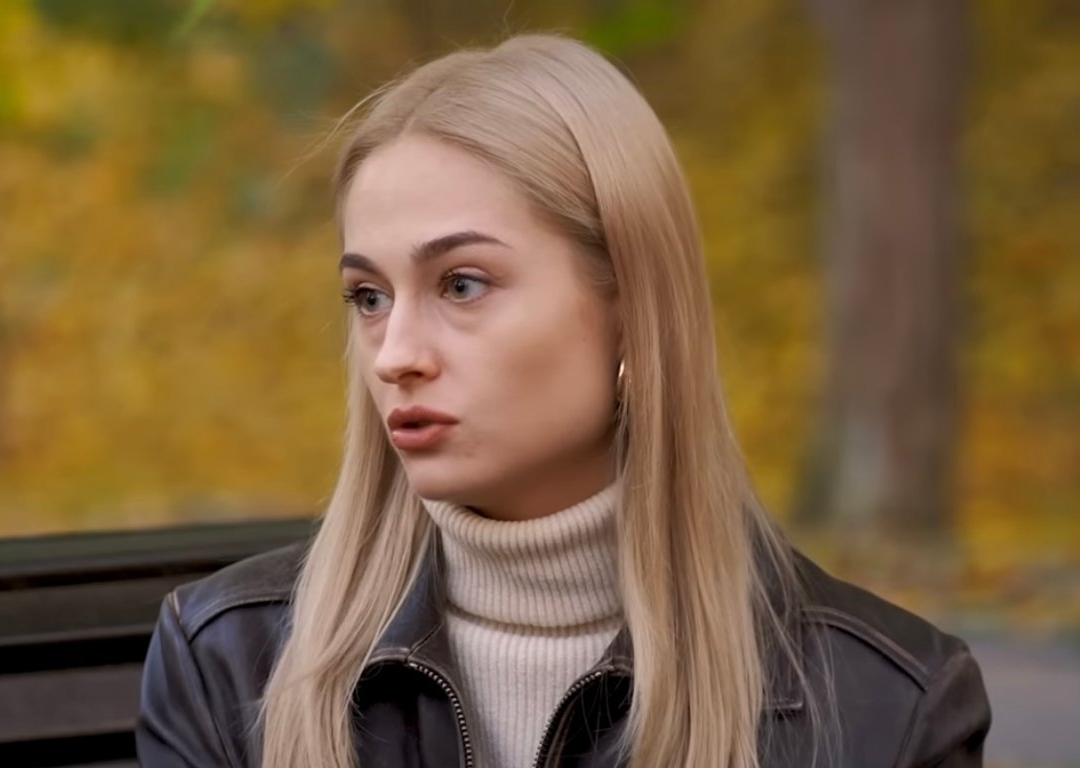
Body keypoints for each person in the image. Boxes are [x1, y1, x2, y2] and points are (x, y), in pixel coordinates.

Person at [136, 33, 991, 768]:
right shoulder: (229, 661)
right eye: (369, 297)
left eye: (462, 284)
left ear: (631, 312)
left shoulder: (890, 709)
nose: (394, 356)